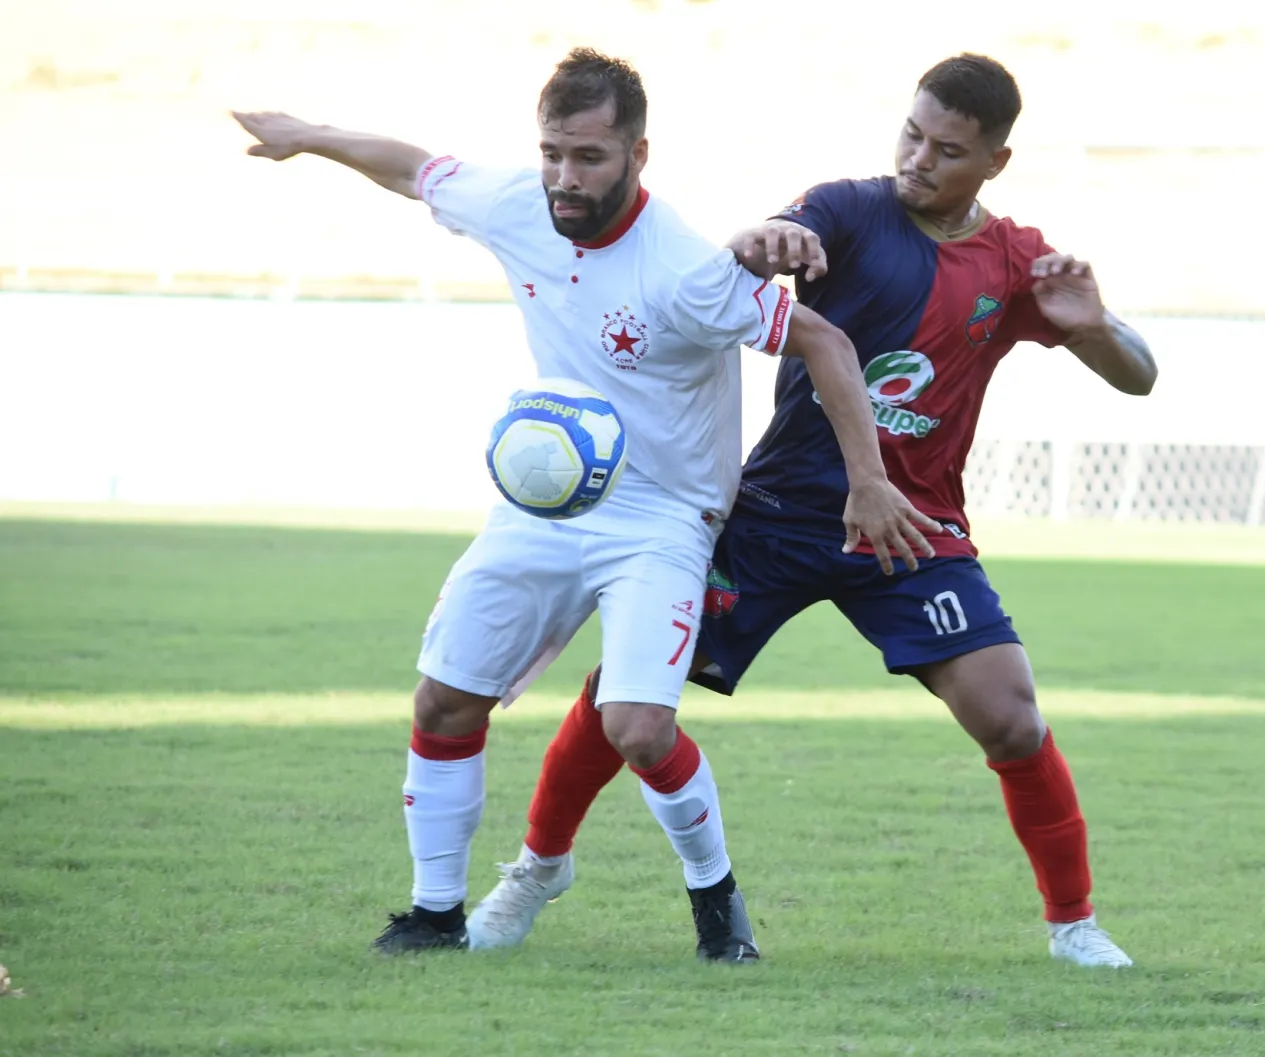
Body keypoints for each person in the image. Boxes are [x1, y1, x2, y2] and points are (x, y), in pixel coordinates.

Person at [232, 47, 938, 961]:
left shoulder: (686, 269)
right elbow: (413, 168)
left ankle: (717, 903)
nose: (565, 176)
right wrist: (308, 136)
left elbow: (829, 346)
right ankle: (434, 914)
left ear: (638, 155)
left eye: (589, 157)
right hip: (546, 503)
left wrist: (869, 482)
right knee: (444, 700)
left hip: (663, 518)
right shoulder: (516, 205)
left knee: (639, 728)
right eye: (553, 152)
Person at [468, 53, 1156, 969]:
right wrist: (766, 236)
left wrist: (1096, 324)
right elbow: (759, 248)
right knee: (627, 694)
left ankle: (1075, 925)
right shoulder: (849, 208)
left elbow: (1140, 376)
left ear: (996, 161)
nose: (918, 159)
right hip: (778, 514)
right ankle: (534, 869)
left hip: (912, 529)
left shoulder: (1015, 258)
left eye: (947, 150)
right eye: (912, 134)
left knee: (1013, 718)